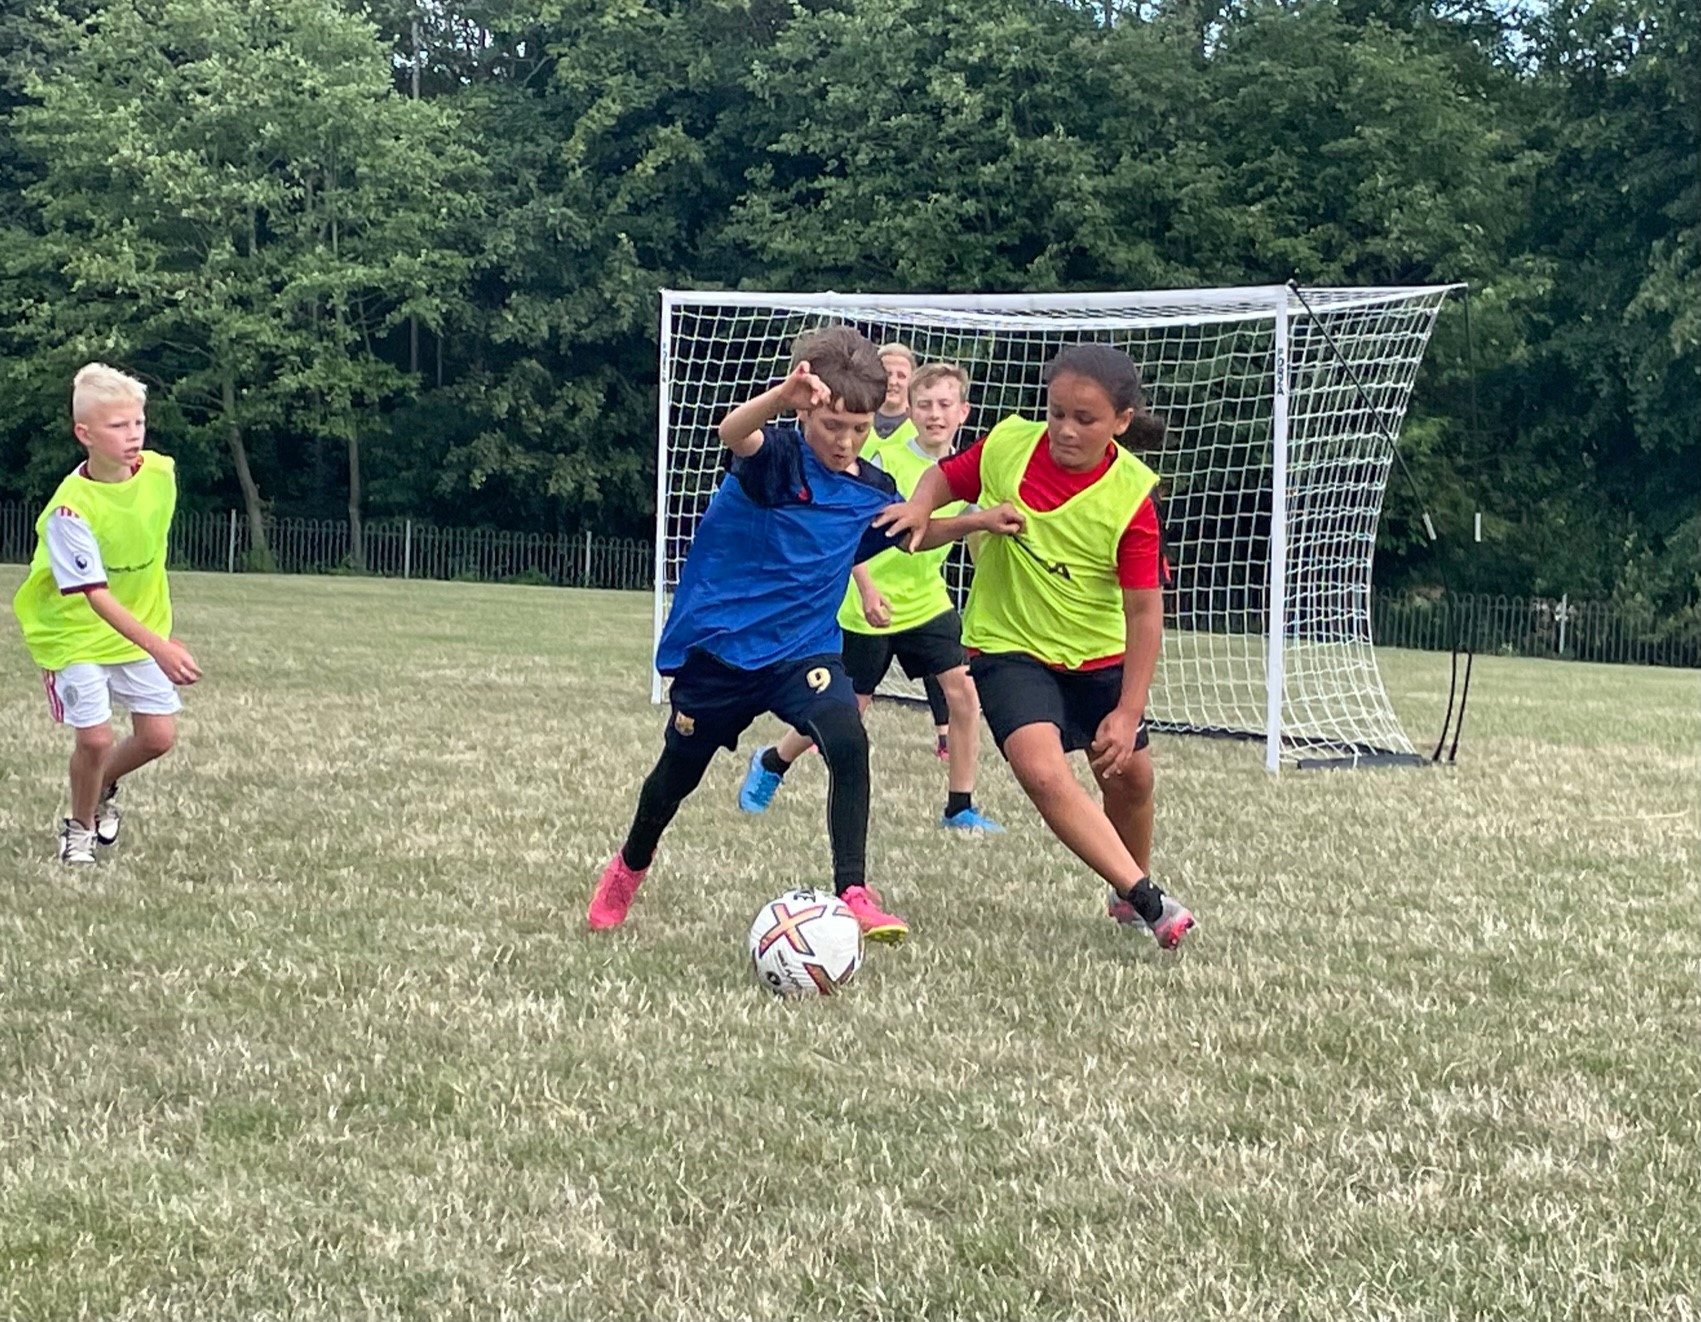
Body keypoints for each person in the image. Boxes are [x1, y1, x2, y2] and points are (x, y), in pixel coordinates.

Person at [587, 327, 1020, 943]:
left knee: (847, 738)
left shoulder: (869, 488)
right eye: (832, 426)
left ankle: (854, 892)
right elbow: (732, 433)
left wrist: (979, 520)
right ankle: (629, 866)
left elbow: (913, 532)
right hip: (722, 652)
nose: (845, 442)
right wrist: (778, 397)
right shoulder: (776, 460)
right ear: (804, 411)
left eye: (859, 428)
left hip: (803, 650)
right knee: (675, 777)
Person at [880, 344, 1195, 949]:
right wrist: (920, 506)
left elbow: (1144, 612)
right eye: (1057, 414)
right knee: (1041, 771)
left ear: (1121, 422)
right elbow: (947, 475)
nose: (1066, 430)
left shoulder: (1132, 497)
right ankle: (1148, 898)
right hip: (1007, 645)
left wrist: (1128, 711)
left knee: (1130, 780)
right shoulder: (1008, 443)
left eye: (1085, 419)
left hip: (1098, 656)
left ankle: (1127, 893)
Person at [739, 362, 1002, 833]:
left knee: (963, 695)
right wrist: (866, 587)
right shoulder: (884, 459)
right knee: (844, 711)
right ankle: (773, 761)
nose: (935, 415)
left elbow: (971, 539)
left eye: (945, 405)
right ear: (910, 412)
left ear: (963, 412)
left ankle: (959, 807)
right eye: (925, 405)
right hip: (867, 606)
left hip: (927, 603)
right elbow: (850, 528)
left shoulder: (966, 472)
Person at [12, 363, 200, 865]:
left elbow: (148, 558)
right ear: (85, 434)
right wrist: (160, 647)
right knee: (95, 739)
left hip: (135, 631)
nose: (133, 434)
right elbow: (94, 595)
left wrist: (161, 632)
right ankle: (79, 829)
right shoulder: (69, 511)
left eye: (138, 422)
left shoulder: (160, 473)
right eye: (118, 426)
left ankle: (101, 788)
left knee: (158, 738)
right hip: (72, 631)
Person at [874, 341, 952, 757]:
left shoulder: (956, 461)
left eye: (900, 374)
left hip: (925, 594)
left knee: (960, 686)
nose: (934, 415)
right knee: (852, 693)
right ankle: (784, 754)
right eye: (927, 406)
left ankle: (950, 749)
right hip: (869, 591)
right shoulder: (869, 441)